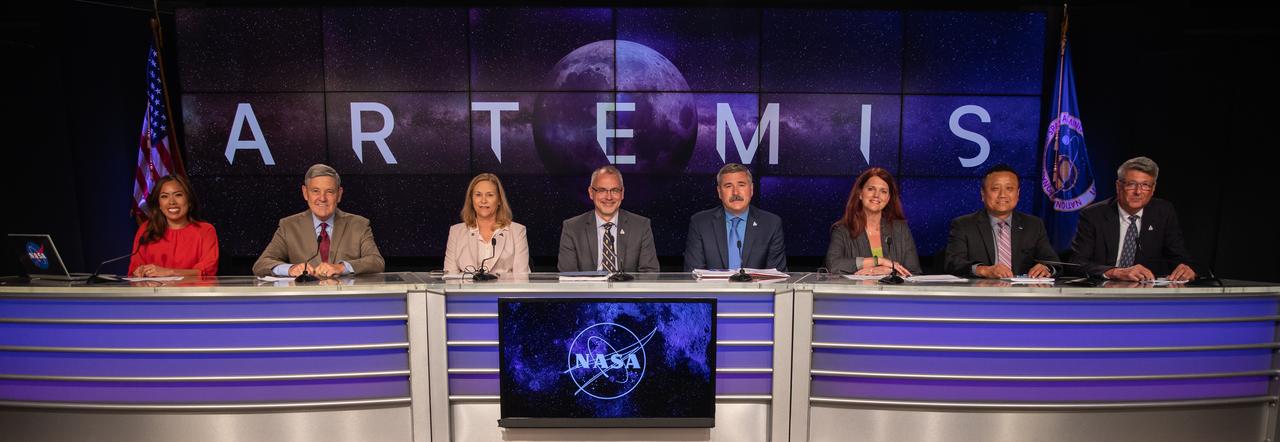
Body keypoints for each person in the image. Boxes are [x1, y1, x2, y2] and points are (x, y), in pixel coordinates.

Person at [1070, 156, 1197, 281]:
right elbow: (1077, 263)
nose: (1138, 191)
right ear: (1118, 186)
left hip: (1147, 293)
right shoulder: (1094, 215)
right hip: (1104, 290)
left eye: (1145, 185)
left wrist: (1185, 269)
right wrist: (1115, 272)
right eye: (1131, 184)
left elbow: (1179, 257)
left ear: (1153, 189)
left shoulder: (1163, 212)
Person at [253, 164, 384, 278]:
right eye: (315, 191)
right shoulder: (289, 226)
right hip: (305, 302)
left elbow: (376, 262)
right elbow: (261, 264)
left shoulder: (359, 225)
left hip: (346, 300)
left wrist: (342, 267)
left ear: (339, 194)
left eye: (329, 192)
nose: (322, 198)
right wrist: (291, 269)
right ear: (305, 193)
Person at [944, 164, 1058, 278]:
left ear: (1018, 194)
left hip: (1023, 293)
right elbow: (952, 263)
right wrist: (983, 270)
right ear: (983, 194)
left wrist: (1046, 268)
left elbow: (1054, 263)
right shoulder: (963, 225)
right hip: (981, 293)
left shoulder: (1034, 225)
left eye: (1009, 188)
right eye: (995, 189)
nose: (1003, 195)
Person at [683, 163, 786, 271]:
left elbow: (777, 277)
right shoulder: (700, 223)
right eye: (728, 186)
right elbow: (693, 275)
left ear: (751, 189)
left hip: (756, 288)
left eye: (741, 185)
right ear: (719, 192)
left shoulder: (771, 224)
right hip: (712, 288)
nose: (735, 192)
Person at [558, 165, 659, 273]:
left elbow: (650, 273)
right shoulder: (572, 228)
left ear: (622, 193)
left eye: (615, 190)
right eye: (602, 190)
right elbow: (568, 276)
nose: (609, 197)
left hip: (628, 289)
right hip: (587, 289)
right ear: (591, 193)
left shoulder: (641, 226)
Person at [825, 167, 920, 276]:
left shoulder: (901, 229)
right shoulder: (842, 230)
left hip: (892, 293)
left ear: (888, 198)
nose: (876, 195)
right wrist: (878, 261)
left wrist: (889, 271)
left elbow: (914, 273)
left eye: (883, 191)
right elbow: (833, 265)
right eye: (871, 189)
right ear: (860, 194)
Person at [128, 175, 219, 277]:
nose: (172, 202)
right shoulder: (147, 229)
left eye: (178, 195)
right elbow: (135, 269)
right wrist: (139, 272)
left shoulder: (205, 231)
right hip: (154, 292)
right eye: (164, 196)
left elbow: (207, 271)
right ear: (159, 205)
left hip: (192, 292)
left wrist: (170, 272)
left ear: (189, 201)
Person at [443, 173, 530, 275]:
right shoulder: (456, 232)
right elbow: (449, 277)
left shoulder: (517, 231)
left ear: (499, 200)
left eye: (490, 195)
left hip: (504, 291)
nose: (483, 200)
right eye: (478, 195)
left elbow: (522, 277)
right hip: (467, 290)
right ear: (471, 200)